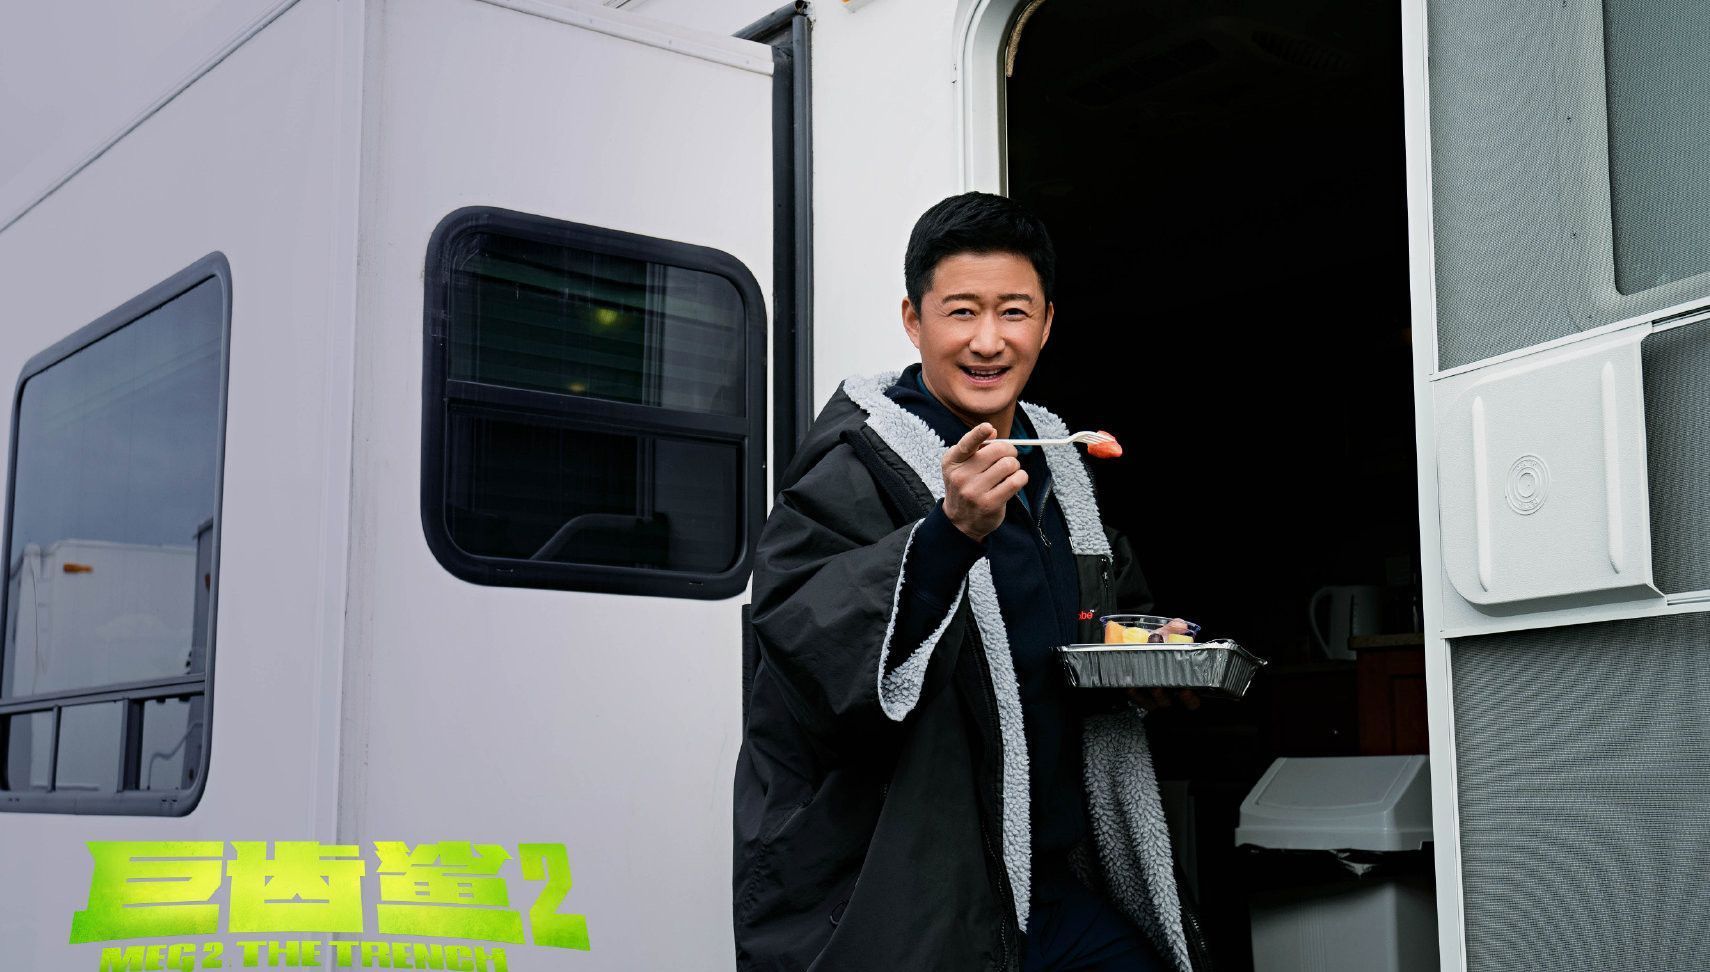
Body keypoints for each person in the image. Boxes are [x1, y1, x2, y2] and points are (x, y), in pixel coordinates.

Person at [733, 192, 1201, 971]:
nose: (988, 341)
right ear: (914, 321)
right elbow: (808, 654)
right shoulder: (854, 464)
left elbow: (1103, 616)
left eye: (1013, 312)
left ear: (1046, 324)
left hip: (1049, 887)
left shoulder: (1059, 467)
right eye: (961, 312)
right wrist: (950, 532)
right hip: (918, 899)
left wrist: (1146, 661)